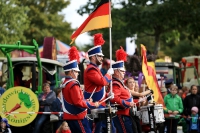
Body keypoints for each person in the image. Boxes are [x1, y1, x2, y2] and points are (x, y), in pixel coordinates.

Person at [60, 46, 99, 133]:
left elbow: (76, 100)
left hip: (72, 116)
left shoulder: (65, 83)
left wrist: (86, 100)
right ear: (71, 72)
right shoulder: (73, 84)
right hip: (77, 116)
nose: (78, 73)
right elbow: (77, 102)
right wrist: (92, 104)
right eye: (76, 71)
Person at [83, 33, 114, 133]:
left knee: (108, 129)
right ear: (93, 57)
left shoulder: (96, 69)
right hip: (94, 105)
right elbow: (102, 82)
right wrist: (109, 74)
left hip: (100, 104)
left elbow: (99, 88)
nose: (101, 58)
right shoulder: (91, 69)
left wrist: (107, 95)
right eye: (99, 56)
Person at [110, 47, 135, 133]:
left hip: (125, 114)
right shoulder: (116, 84)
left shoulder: (120, 83)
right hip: (121, 114)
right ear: (116, 72)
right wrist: (128, 103)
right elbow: (114, 98)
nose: (124, 73)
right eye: (122, 71)